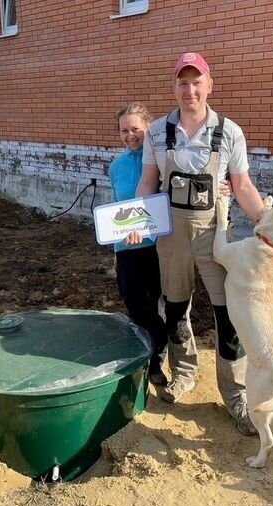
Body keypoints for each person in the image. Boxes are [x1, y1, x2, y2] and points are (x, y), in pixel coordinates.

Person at [127, 52, 264, 436]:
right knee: (174, 309)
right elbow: (147, 183)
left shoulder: (230, 132)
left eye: (196, 81)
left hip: (214, 237)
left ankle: (236, 395)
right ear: (174, 87)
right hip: (171, 237)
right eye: (182, 82)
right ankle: (184, 373)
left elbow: (243, 186)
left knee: (228, 316)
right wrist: (137, 222)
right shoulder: (157, 132)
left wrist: (264, 222)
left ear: (209, 85)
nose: (190, 89)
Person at [109, 102, 168, 386]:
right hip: (127, 248)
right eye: (124, 130)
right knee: (133, 304)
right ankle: (147, 351)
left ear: (148, 128)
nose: (130, 135)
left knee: (155, 305)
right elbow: (114, 207)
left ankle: (156, 360)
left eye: (136, 129)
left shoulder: (161, 160)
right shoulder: (116, 166)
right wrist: (116, 250)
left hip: (156, 248)